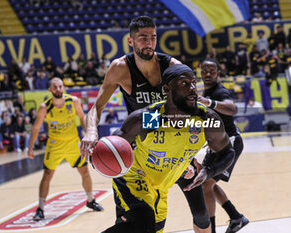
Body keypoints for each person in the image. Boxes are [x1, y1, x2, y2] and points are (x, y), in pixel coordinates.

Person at [81, 16, 213, 233]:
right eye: (143, 38)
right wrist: (91, 132)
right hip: (141, 154)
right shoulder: (120, 68)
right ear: (130, 41)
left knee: (200, 212)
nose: (149, 43)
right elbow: (97, 106)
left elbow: (195, 110)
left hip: (174, 149)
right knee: (136, 222)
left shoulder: (172, 67)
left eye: (153, 37)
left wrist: (198, 153)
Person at [81, 64, 236, 233]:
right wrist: (96, 154)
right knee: (142, 225)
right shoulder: (151, 118)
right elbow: (115, 143)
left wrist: (207, 171)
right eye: (184, 83)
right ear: (167, 89)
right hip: (133, 178)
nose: (192, 88)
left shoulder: (206, 120)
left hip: (161, 187)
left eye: (194, 82)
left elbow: (227, 152)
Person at [27, 77, 103, 221]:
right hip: (54, 145)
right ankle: (41, 208)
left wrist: (89, 135)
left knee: (85, 172)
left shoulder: (73, 101)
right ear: (50, 90)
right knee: (47, 174)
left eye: (60, 86)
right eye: (55, 87)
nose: (58, 89)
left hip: (73, 143)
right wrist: (30, 147)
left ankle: (90, 200)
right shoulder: (45, 107)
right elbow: (36, 127)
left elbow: (82, 118)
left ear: (64, 88)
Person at [198, 59, 249, 233]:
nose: (207, 74)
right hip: (217, 145)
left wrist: (209, 103)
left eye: (212, 70)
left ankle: (211, 229)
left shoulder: (220, 92)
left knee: (205, 184)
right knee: (207, 184)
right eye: (204, 70)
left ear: (218, 73)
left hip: (230, 145)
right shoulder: (206, 91)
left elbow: (232, 109)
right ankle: (236, 217)